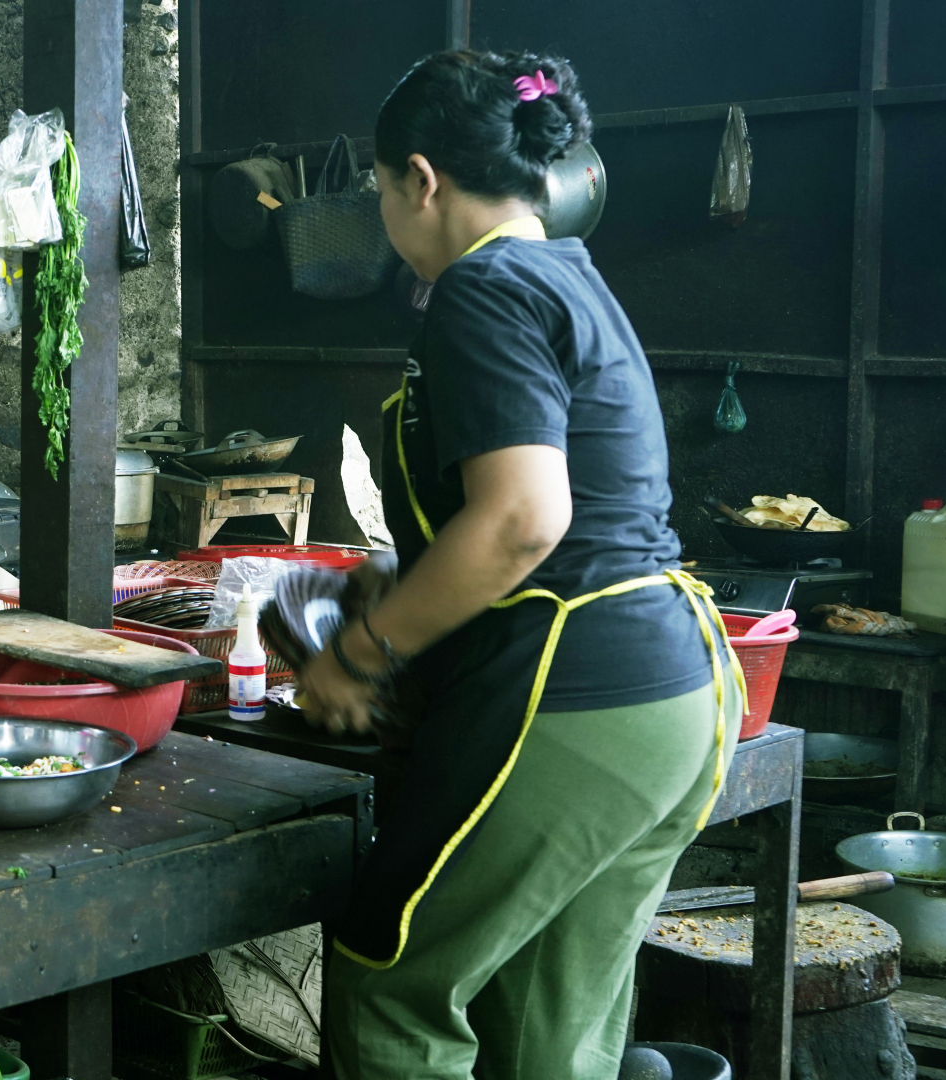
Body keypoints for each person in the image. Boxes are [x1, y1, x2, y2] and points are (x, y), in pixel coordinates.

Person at [295, 51, 744, 1079]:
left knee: (390, 980)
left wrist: (359, 654)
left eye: (376, 192)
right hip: (672, 697)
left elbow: (523, 523)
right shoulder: (567, 275)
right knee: (550, 1028)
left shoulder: (482, 287)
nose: (386, 215)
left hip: (571, 696)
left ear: (420, 179)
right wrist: (402, 585)